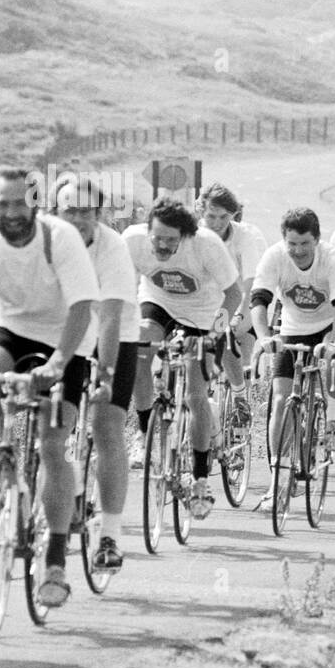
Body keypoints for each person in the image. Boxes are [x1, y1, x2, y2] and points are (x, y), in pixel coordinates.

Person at [0, 165, 98, 608]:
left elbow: (82, 307)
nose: (11, 212)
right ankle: (4, 465)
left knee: (52, 444)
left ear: (34, 203)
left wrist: (57, 363)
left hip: (66, 338)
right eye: (2, 204)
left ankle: (54, 560)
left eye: (19, 202)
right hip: (10, 329)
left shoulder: (60, 238)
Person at [124, 197, 243, 519]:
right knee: (139, 347)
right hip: (157, 304)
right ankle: (144, 429)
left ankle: (202, 479)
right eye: (157, 238)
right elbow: (120, 285)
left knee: (195, 395)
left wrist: (216, 333)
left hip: (203, 317)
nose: (162, 245)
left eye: (171, 240)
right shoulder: (133, 240)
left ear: (187, 236)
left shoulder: (207, 245)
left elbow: (234, 293)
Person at [49, 176, 139, 573]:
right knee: (55, 425)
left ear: (99, 215)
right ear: (56, 212)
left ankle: (110, 537)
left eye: (87, 212)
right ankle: (70, 492)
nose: (79, 219)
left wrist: (105, 372)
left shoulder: (112, 245)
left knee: (106, 424)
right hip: (66, 333)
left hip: (114, 331)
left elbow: (112, 316)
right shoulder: (43, 240)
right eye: (71, 211)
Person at [252, 208, 335, 506]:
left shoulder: (332, 258)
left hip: (334, 319)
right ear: (284, 240)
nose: (298, 251)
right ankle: (279, 476)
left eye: (305, 244)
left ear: (317, 240)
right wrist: (264, 337)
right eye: (292, 244)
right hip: (293, 325)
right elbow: (259, 299)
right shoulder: (275, 256)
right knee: (279, 401)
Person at [195, 183, 266, 430]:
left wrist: (235, 318)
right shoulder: (193, 235)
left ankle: (239, 399)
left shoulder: (246, 236)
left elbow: (249, 287)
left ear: (233, 215)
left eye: (224, 217)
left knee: (222, 336)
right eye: (211, 216)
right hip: (204, 305)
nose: (216, 223)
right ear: (199, 211)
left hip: (239, 305)